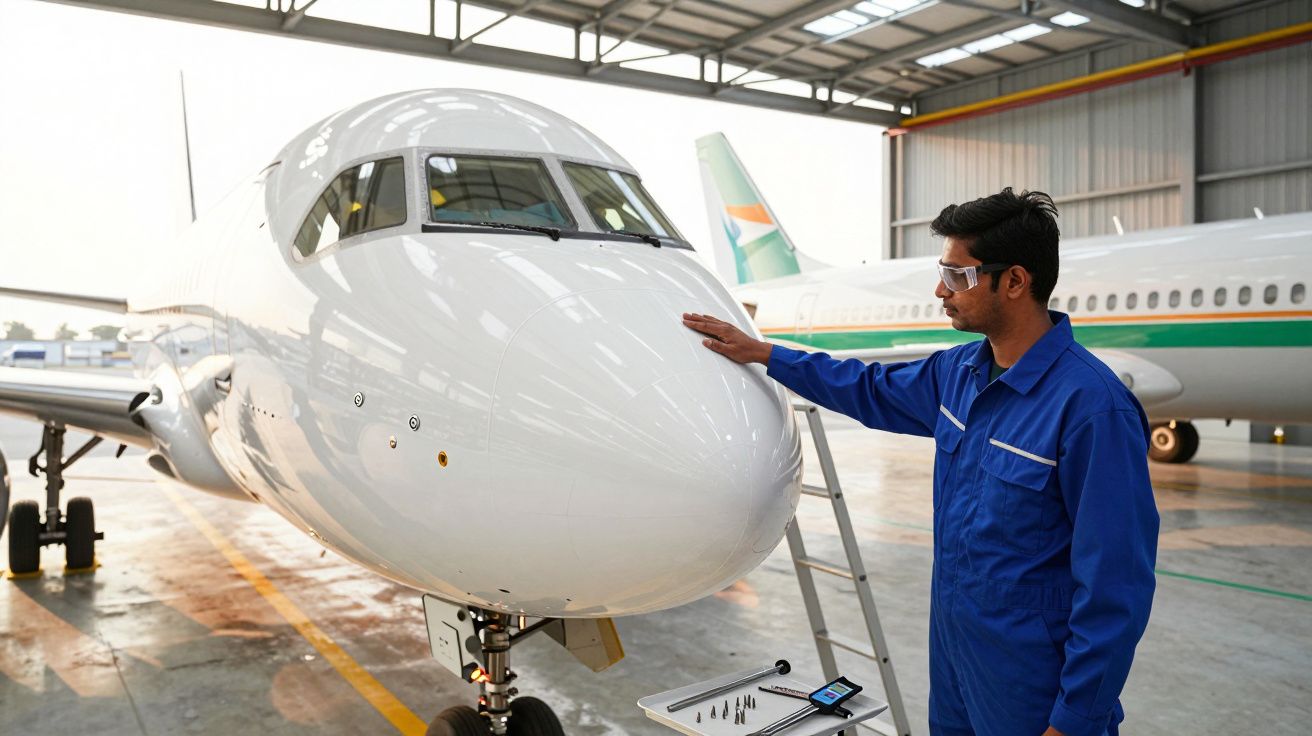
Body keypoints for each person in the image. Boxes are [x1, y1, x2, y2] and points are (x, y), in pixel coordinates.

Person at [682, 188, 1158, 736]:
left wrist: (1075, 719)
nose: (941, 291)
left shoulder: (1092, 409)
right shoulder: (959, 374)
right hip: (955, 660)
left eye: (957, 276)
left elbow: (1115, 585)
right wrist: (765, 354)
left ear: (1014, 281)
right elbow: (866, 386)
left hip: (1032, 684)